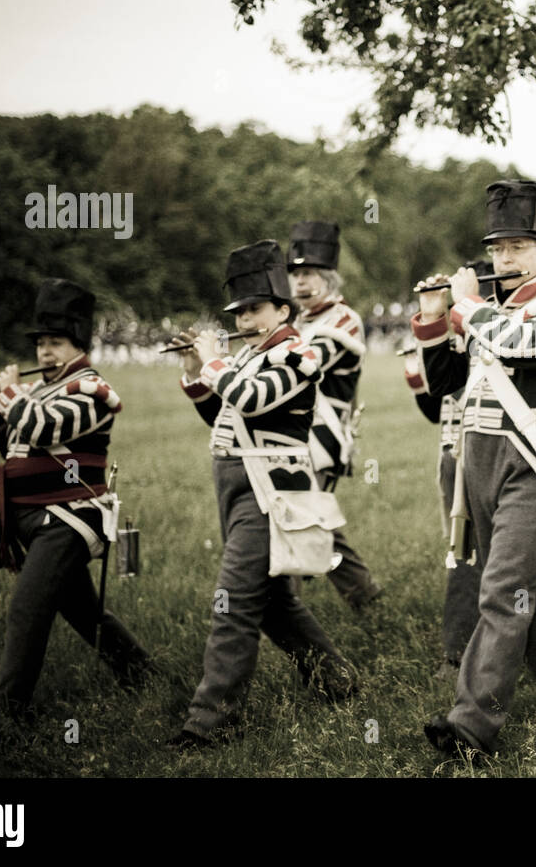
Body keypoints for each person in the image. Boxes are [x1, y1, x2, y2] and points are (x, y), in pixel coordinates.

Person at [416, 179, 536, 757]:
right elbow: (440, 385)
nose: (505, 259)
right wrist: (434, 317)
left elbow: (519, 344)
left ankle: (471, 724)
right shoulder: (487, 312)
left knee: (501, 589)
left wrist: (467, 308)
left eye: (518, 247)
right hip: (479, 461)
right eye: (497, 249)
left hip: (531, 465)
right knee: (525, 592)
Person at [169, 240, 357, 749]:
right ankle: (338, 682)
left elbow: (251, 401)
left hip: (272, 490)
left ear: (282, 309)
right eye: (240, 311)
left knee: (232, 603)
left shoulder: (301, 352)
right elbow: (223, 419)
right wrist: (195, 371)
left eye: (255, 309)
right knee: (274, 602)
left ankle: (209, 722)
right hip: (237, 486)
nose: (246, 320)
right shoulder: (252, 355)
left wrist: (213, 364)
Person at [0, 278, 152, 719]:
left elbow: (43, 429)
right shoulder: (37, 393)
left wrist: (11, 394)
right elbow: (13, 448)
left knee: (27, 608)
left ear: (77, 344)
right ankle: (141, 673)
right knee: (82, 612)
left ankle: (4, 714)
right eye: (40, 343)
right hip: (34, 518)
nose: (44, 353)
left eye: (56, 342)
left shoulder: (92, 391)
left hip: (70, 517)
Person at [286, 220, 383, 611]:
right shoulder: (295, 322)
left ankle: (288, 605)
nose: (299, 283)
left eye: (308, 273)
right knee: (309, 519)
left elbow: (303, 366)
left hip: (321, 435)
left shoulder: (343, 319)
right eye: (293, 274)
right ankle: (363, 594)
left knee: (297, 517)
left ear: (328, 276)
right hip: (293, 433)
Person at [404, 259, 492, 679]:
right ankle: (459, 651)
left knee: (490, 556)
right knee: (462, 550)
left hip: (497, 451)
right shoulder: (448, 336)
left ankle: (466, 652)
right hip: (454, 454)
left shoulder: (494, 330)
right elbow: (435, 403)